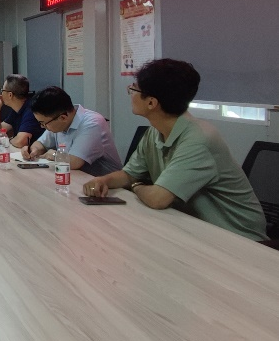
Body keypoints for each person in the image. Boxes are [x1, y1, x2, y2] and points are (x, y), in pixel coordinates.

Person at [83, 59, 267, 241]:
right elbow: (129, 174)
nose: (130, 93)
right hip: (193, 229)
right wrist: (103, 180)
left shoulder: (198, 140)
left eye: (134, 89)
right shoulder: (154, 132)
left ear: (151, 103)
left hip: (238, 238)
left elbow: (157, 199)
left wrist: (136, 186)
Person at [22, 86, 121, 176]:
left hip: (106, 184)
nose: (42, 127)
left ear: (63, 118)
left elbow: (74, 162)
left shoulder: (92, 123)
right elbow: (41, 144)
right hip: (75, 177)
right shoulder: (56, 122)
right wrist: (34, 150)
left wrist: (54, 155)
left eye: (43, 123)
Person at [0, 74, 41, 147]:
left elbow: (21, 141)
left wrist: (6, 140)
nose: (1, 94)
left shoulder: (31, 110)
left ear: (10, 95)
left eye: (2, 90)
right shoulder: (16, 110)